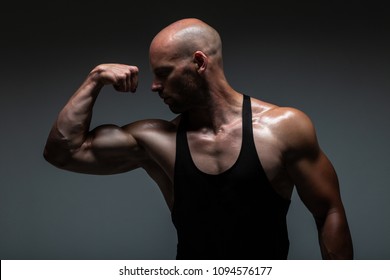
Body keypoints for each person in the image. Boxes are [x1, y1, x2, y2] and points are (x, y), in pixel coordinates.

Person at [43, 18, 353, 260]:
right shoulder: (157, 140)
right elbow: (63, 152)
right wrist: (94, 79)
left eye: (163, 73)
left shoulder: (283, 128)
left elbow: (329, 210)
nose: (154, 86)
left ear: (200, 63)